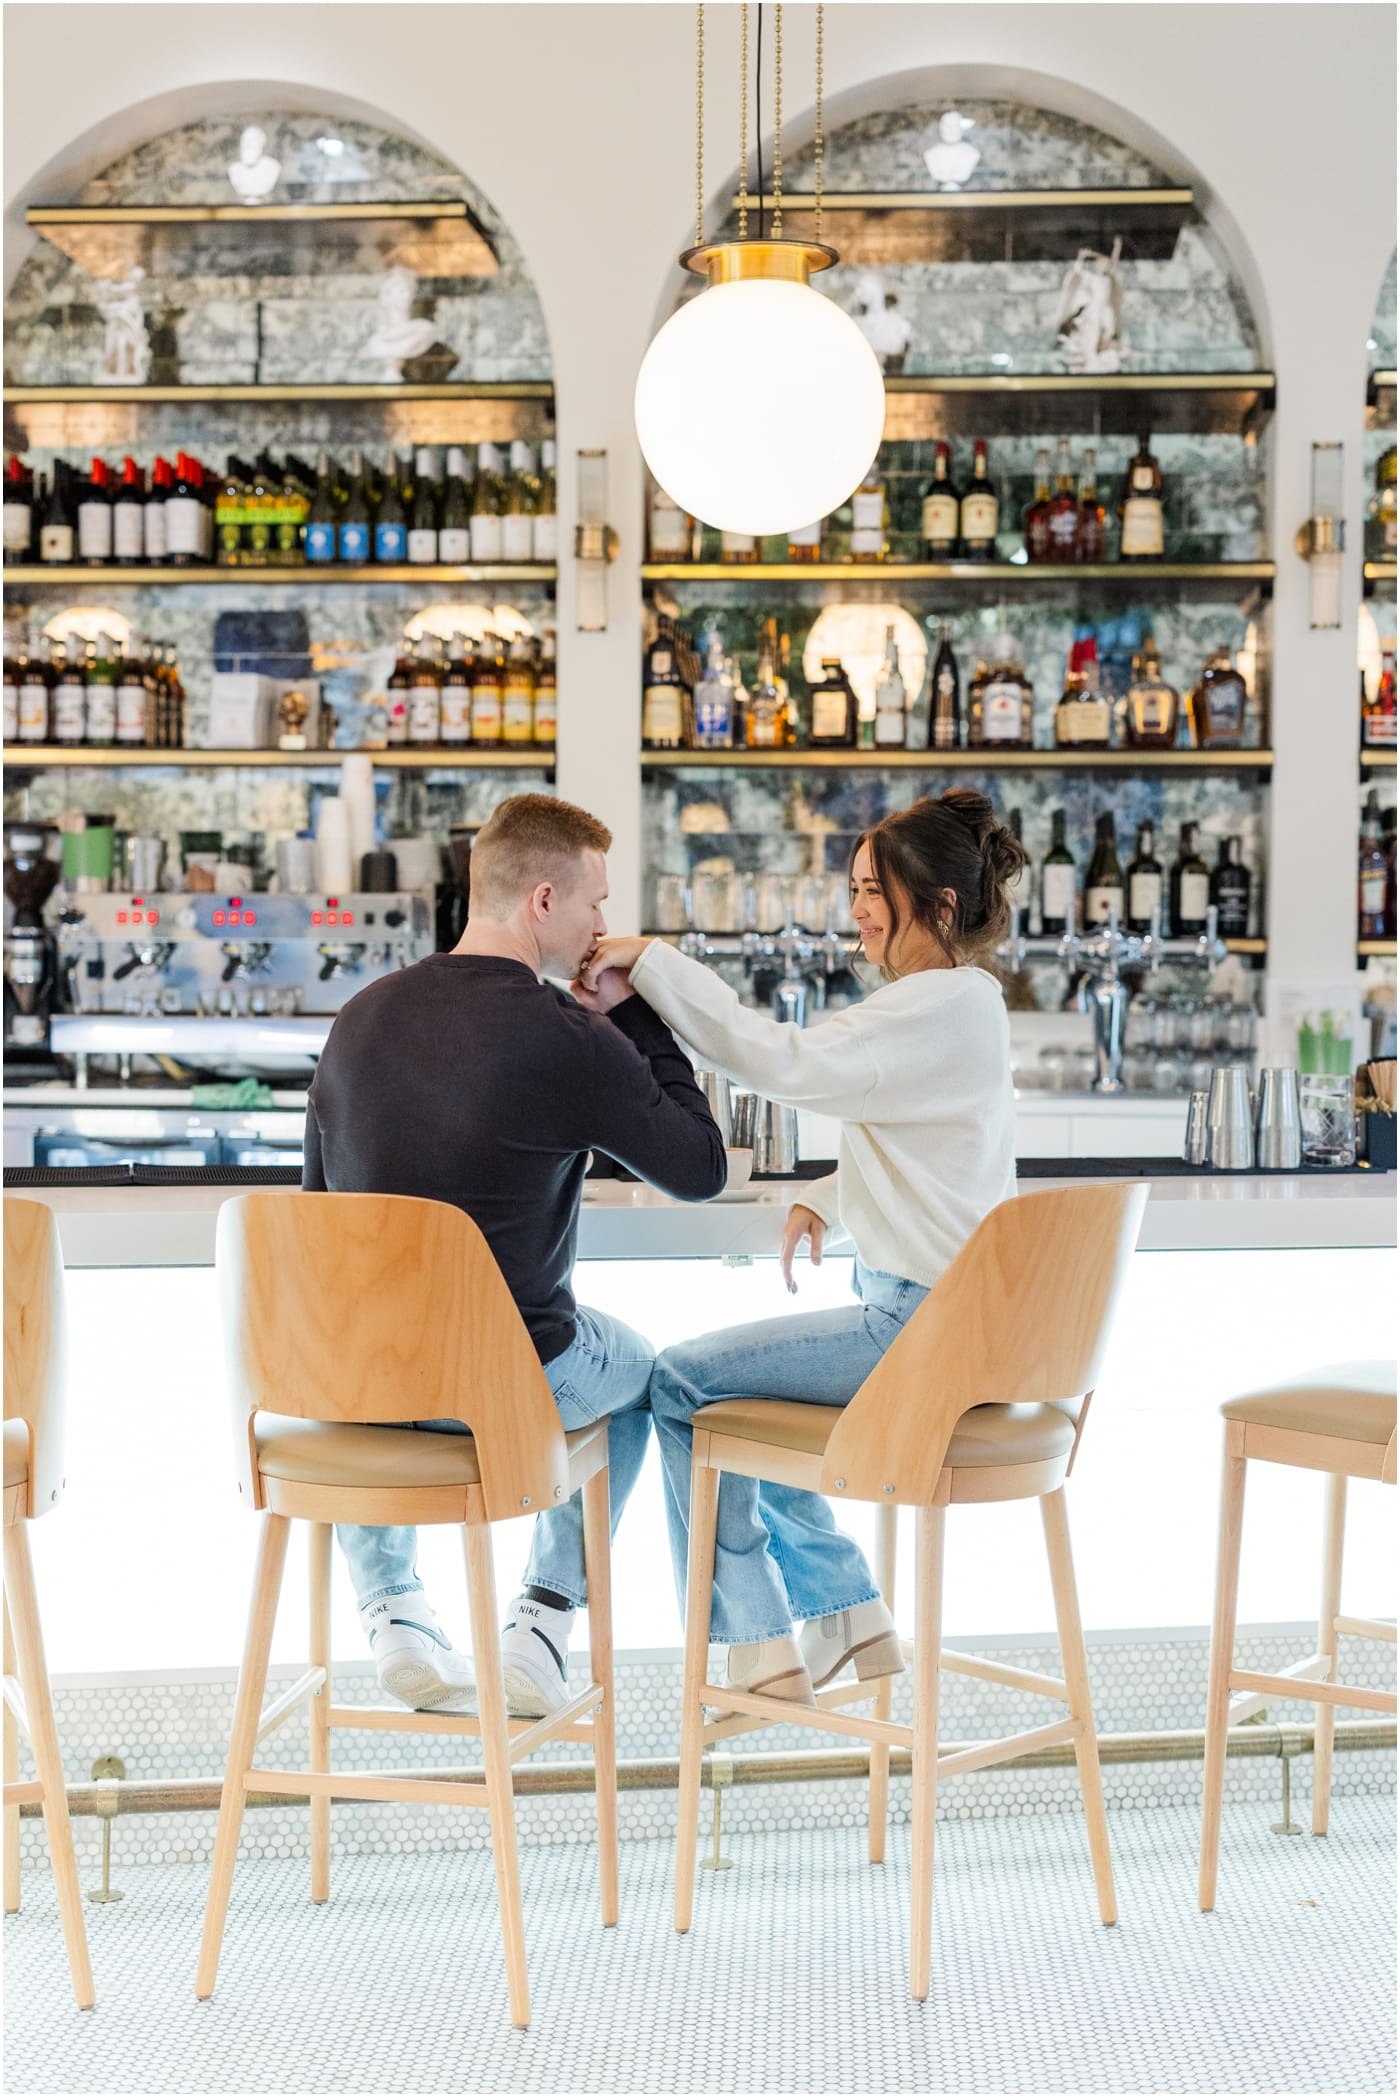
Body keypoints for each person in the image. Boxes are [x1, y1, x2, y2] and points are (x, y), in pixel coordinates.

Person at [576, 789, 1023, 1705]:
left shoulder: (933, 1004)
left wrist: (658, 960)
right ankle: (845, 1615)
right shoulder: (965, 1005)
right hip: (959, 1330)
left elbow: (781, 1062)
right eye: (854, 887)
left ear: (937, 905)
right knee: (743, 1402)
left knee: (683, 1383)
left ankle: (760, 1645)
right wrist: (831, 1197)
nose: (855, 909)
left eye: (874, 890)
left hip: (918, 1333)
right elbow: (942, 1155)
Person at [302, 794, 726, 1716]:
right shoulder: (567, 1037)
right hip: (501, 1397)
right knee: (644, 1370)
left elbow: (316, 1219)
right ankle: (539, 1620)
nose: (603, 926)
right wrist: (638, 1019)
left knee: (376, 1349)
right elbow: (699, 1168)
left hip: (353, 1394)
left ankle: (394, 1606)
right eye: (594, 903)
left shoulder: (356, 1019)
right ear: (543, 901)